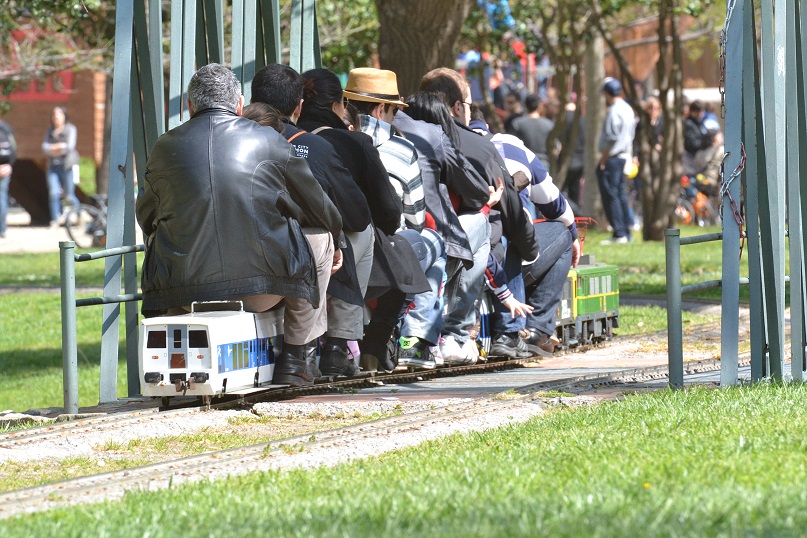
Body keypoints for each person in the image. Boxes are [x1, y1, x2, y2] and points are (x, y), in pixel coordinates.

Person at [136, 63, 344, 388]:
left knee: (156, 238)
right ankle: (297, 356)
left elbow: (146, 217)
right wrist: (338, 242)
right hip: (261, 289)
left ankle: (173, 361)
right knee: (320, 238)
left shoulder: (163, 147)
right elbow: (321, 210)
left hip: (181, 290)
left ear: (190, 106)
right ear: (238, 104)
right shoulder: (270, 141)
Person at [298, 67, 430, 371]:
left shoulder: (280, 136)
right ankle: (341, 345)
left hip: (278, 244)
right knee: (372, 238)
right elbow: (389, 214)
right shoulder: (354, 143)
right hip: (340, 252)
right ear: (335, 107)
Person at [250, 63, 374, 378]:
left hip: (207, 273)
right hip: (274, 274)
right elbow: (355, 216)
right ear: (299, 106)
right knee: (324, 239)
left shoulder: (221, 142)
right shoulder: (307, 147)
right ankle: (315, 349)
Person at [419, 67, 539, 360]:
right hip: (456, 247)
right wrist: (529, 250)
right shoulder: (473, 145)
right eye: (470, 105)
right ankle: (501, 333)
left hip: (405, 240)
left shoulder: (400, 133)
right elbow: (508, 207)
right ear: (458, 107)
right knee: (495, 231)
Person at [342, 67, 446, 370]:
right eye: (392, 110)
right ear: (380, 108)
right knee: (429, 244)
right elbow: (414, 217)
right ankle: (405, 338)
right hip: (382, 258)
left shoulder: (330, 141)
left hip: (336, 252)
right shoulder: (401, 148)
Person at [597, 77, 635, 245]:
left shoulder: (614, 111)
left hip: (613, 158)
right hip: (624, 155)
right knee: (620, 194)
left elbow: (611, 138)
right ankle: (626, 231)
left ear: (607, 93)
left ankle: (619, 232)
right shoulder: (628, 109)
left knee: (611, 195)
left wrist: (603, 159)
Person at [42, 106, 80, 226]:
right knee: (53, 193)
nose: (56, 118)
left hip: (67, 166)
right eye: (54, 115)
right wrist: (60, 146)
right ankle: (55, 219)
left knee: (69, 195)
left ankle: (80, 214)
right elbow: (45, 148)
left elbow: (69, 147)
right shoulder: (50, 131)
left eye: (58, 115)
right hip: (53, 167)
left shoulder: (70, 129)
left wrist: (53, 148)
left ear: (64, 116)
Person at [510, 93, 555, 173]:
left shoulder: (517, 123)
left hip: (523, 163)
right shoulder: (549, 125)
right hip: (543, 163)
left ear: (526, 106)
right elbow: (554, 147)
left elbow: (511, 146)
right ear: (539, 106)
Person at [0, 120, 17, 239]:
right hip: (5, 167)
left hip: (4, 168)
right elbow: (14, 148)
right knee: (2, 198)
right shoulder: (6, 127)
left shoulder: (6, 128)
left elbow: (13, 148)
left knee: (1, 198)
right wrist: (9, 165)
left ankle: (1, 229)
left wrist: (10, 165)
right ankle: (2, 229)